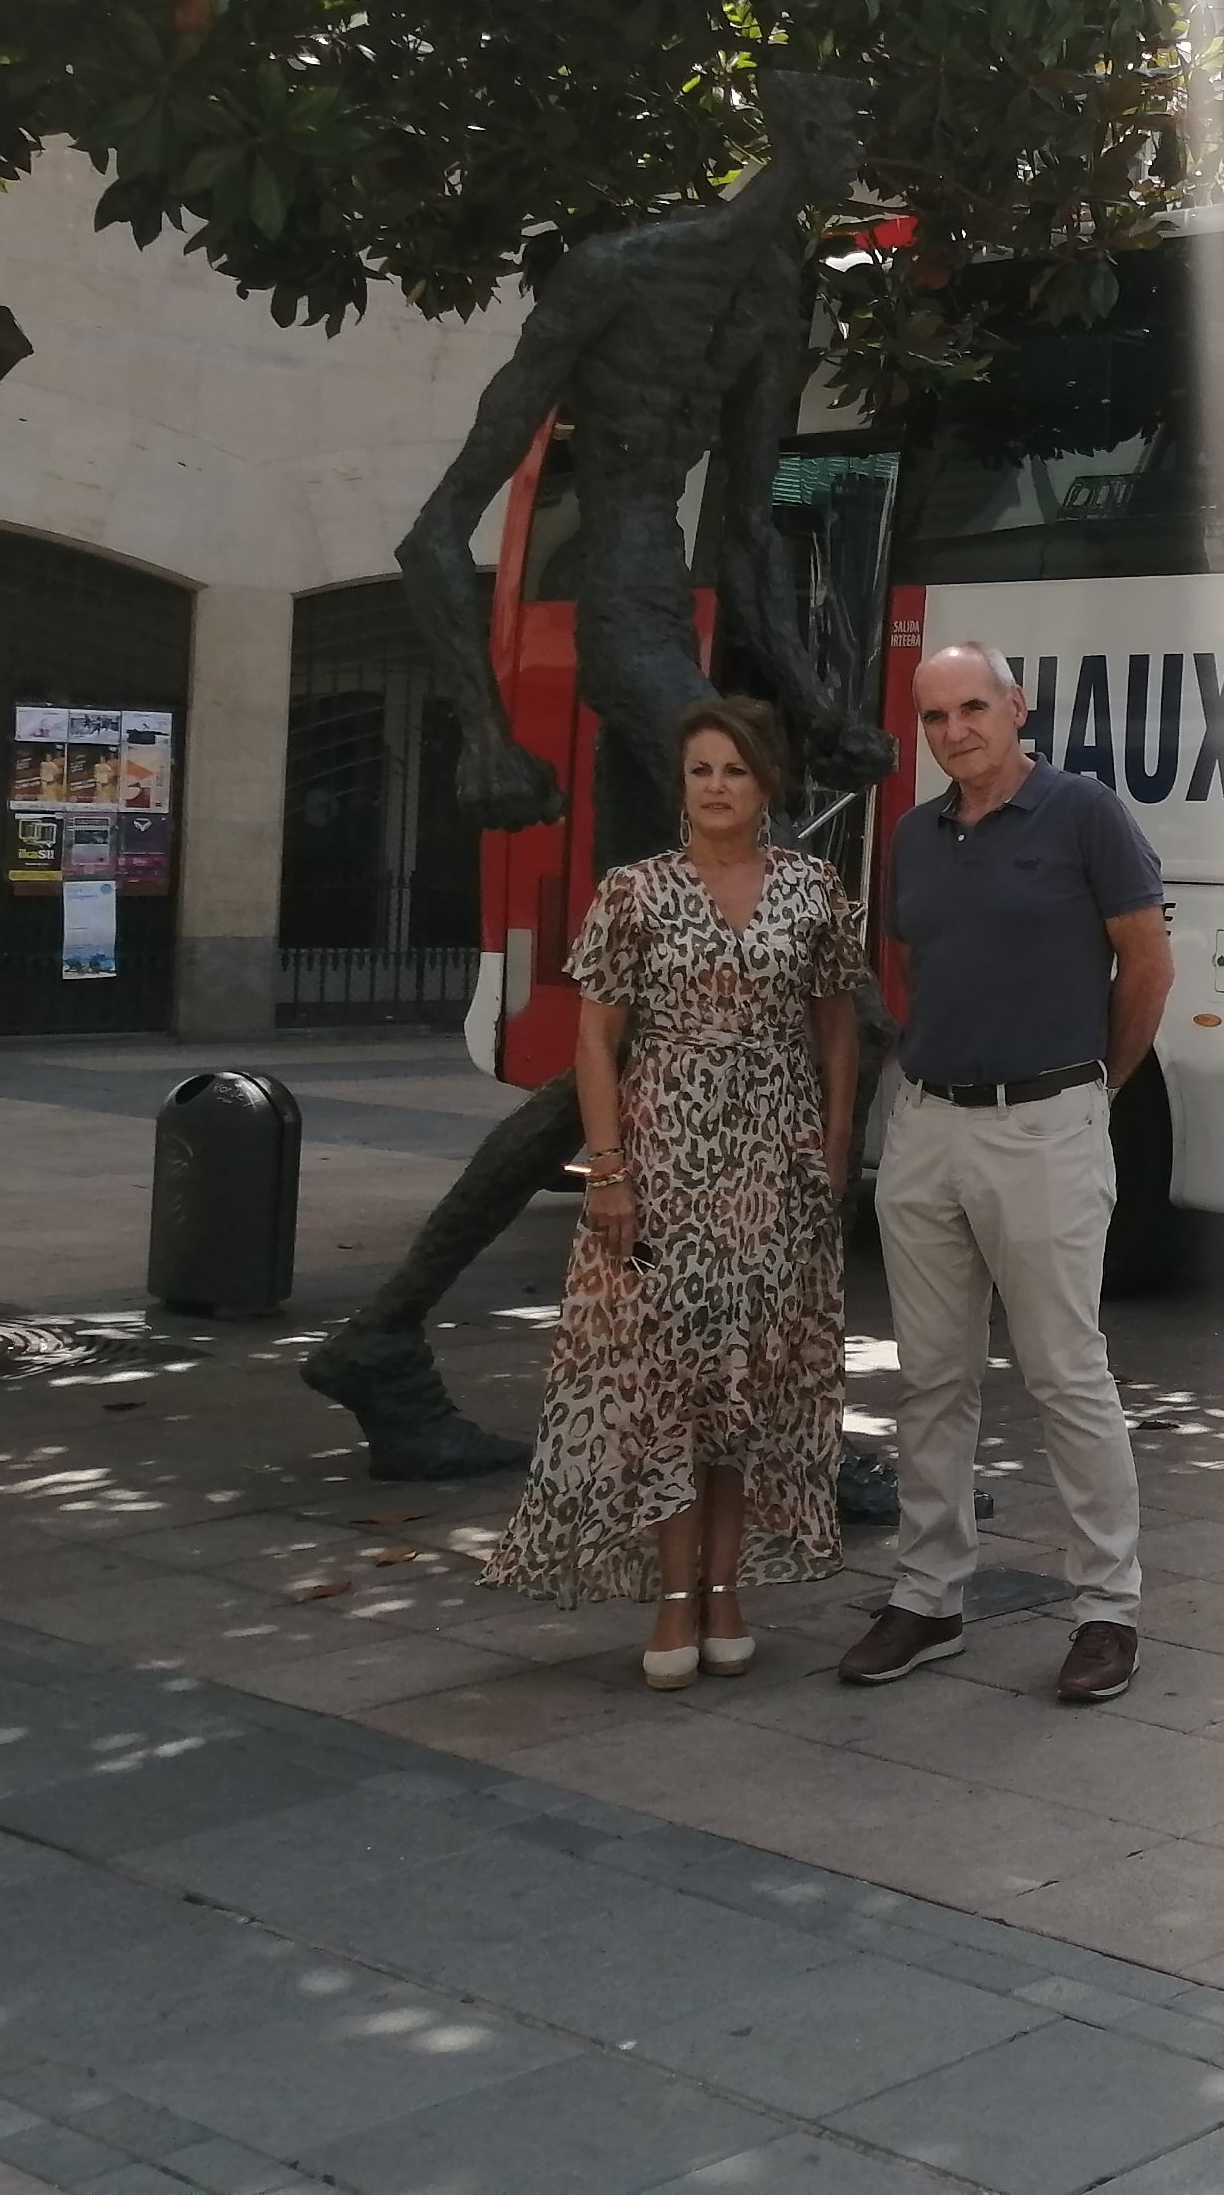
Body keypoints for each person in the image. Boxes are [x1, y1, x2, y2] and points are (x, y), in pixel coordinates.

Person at [485, 700, 863, 1686]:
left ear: (765, 784)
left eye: (733, 770)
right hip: (665, 1162)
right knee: (669, 1389)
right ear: (682, 786)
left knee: (747, 1389)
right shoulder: (634, 894)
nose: (716, 787)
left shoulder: (815, 890)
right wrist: (606, 1169)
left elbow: (836, 1028)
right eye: (700, 770)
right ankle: (670, 1598)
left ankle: (726, 1592)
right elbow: (594, 1040)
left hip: (774, 1165)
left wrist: (833, 1143)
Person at [839, 642, 1172, 1704]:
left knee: (1065, 1374)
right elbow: (915, 968)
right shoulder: (913, 837)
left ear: (1016, 707)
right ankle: (928, 1597)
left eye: (972, 708)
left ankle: (1106, 1610)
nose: (954, 733)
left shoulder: (1083, 814)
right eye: (934, 718)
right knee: (930, 1377)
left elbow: (1146, 961)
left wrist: (1094, 1088)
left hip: (1045, 1123)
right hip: (928, 1127)